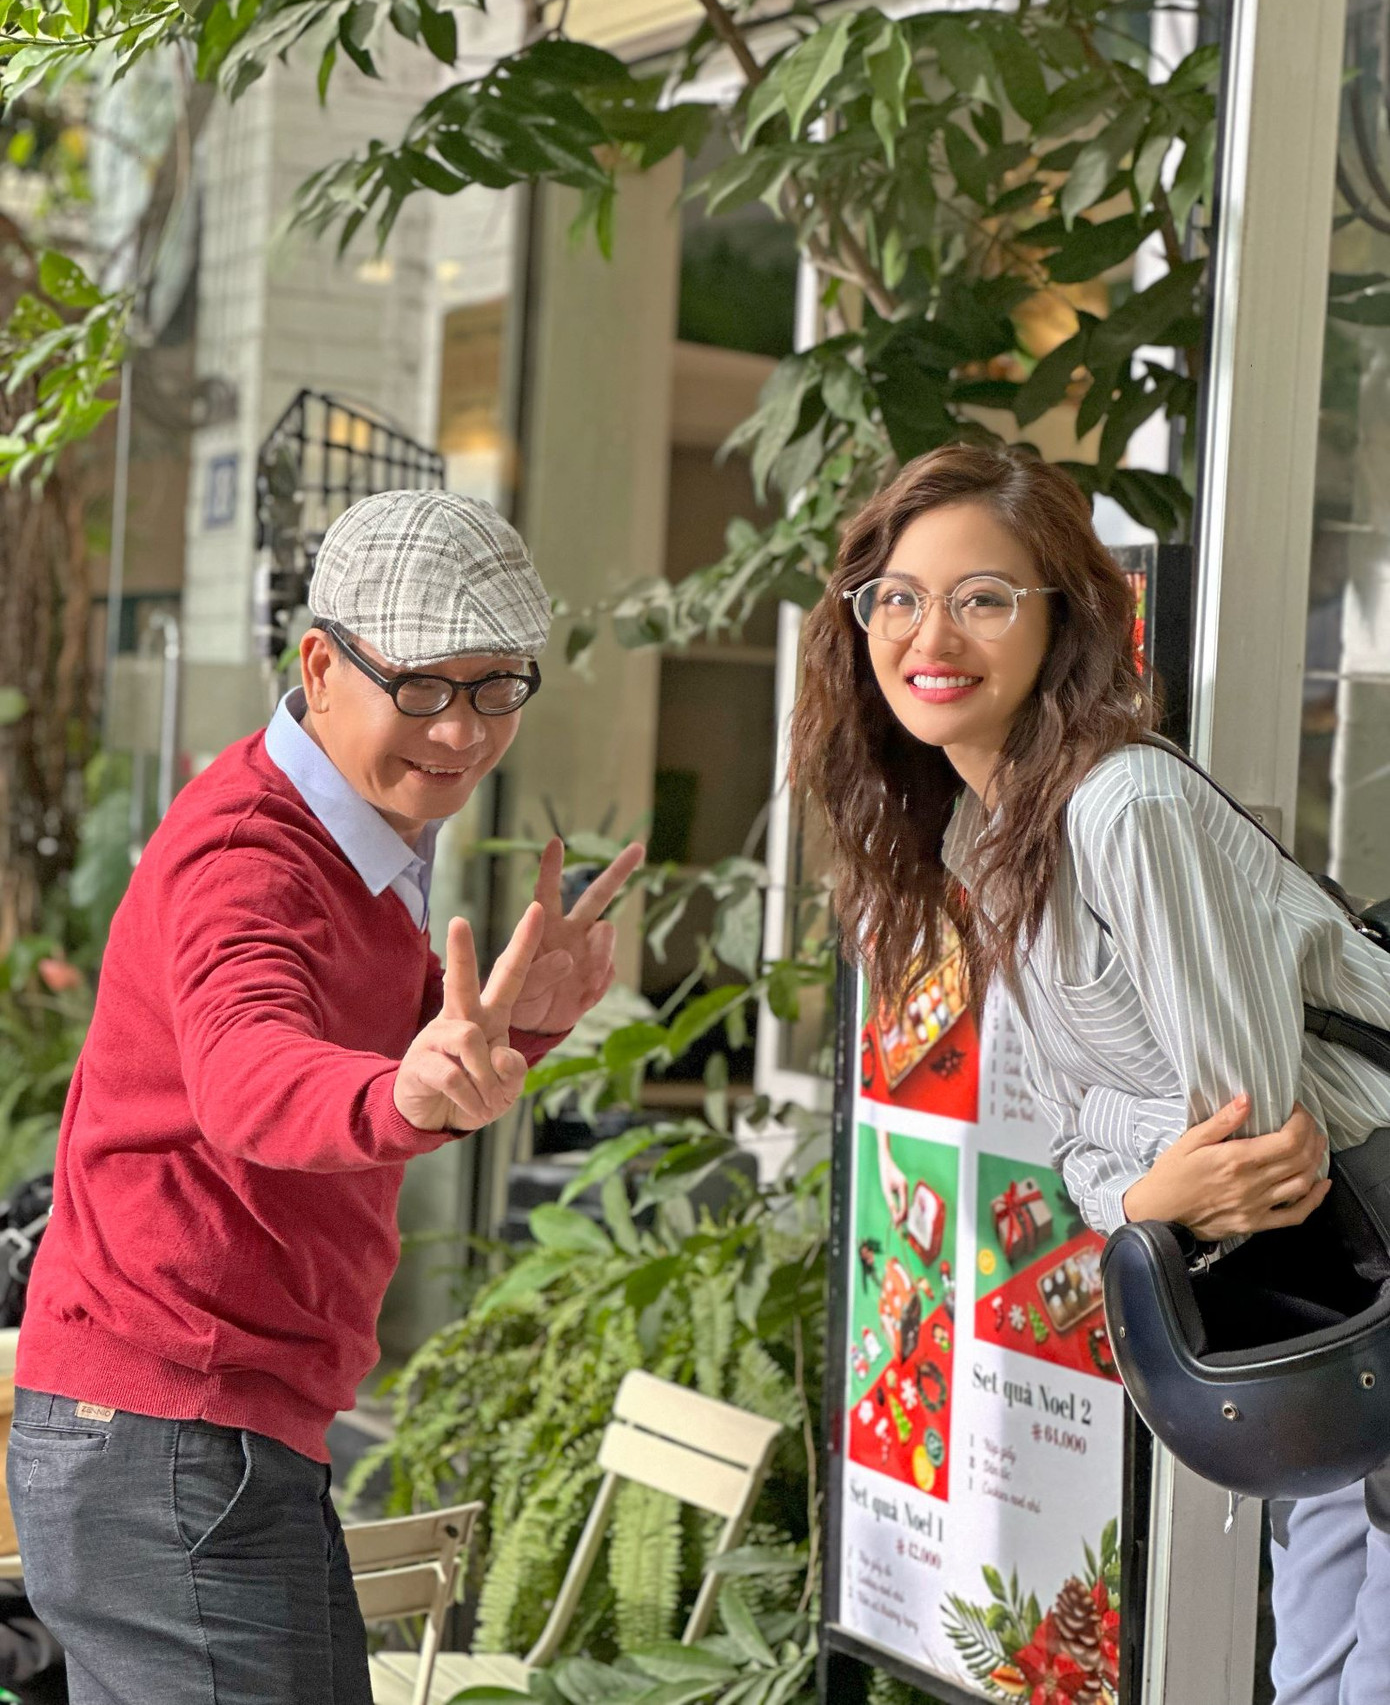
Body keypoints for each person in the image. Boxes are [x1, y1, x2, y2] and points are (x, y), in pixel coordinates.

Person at [8, 489, 643, 1705]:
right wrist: (405, 1088)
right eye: (423, 685)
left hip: (204, 1431)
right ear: (320, 665)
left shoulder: (356, 836)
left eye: (495, 685)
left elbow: (348, 1046)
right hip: (171, 1429)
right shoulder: (249, 851)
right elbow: (249, 1070)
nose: (460, 730)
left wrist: (514, 1021)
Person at [788, 443, 1390, 1705]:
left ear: (1064, 619)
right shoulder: (985, 831)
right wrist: (1143, 1185)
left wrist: (1135, 1173)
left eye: (983, 596)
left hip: (1349, 1234)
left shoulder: (1123, 806)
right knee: (1318, 1660)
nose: (930, 633)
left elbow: (1247, 1141)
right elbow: (1082, 1148)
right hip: (1328, 1297)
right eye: (897, 596)